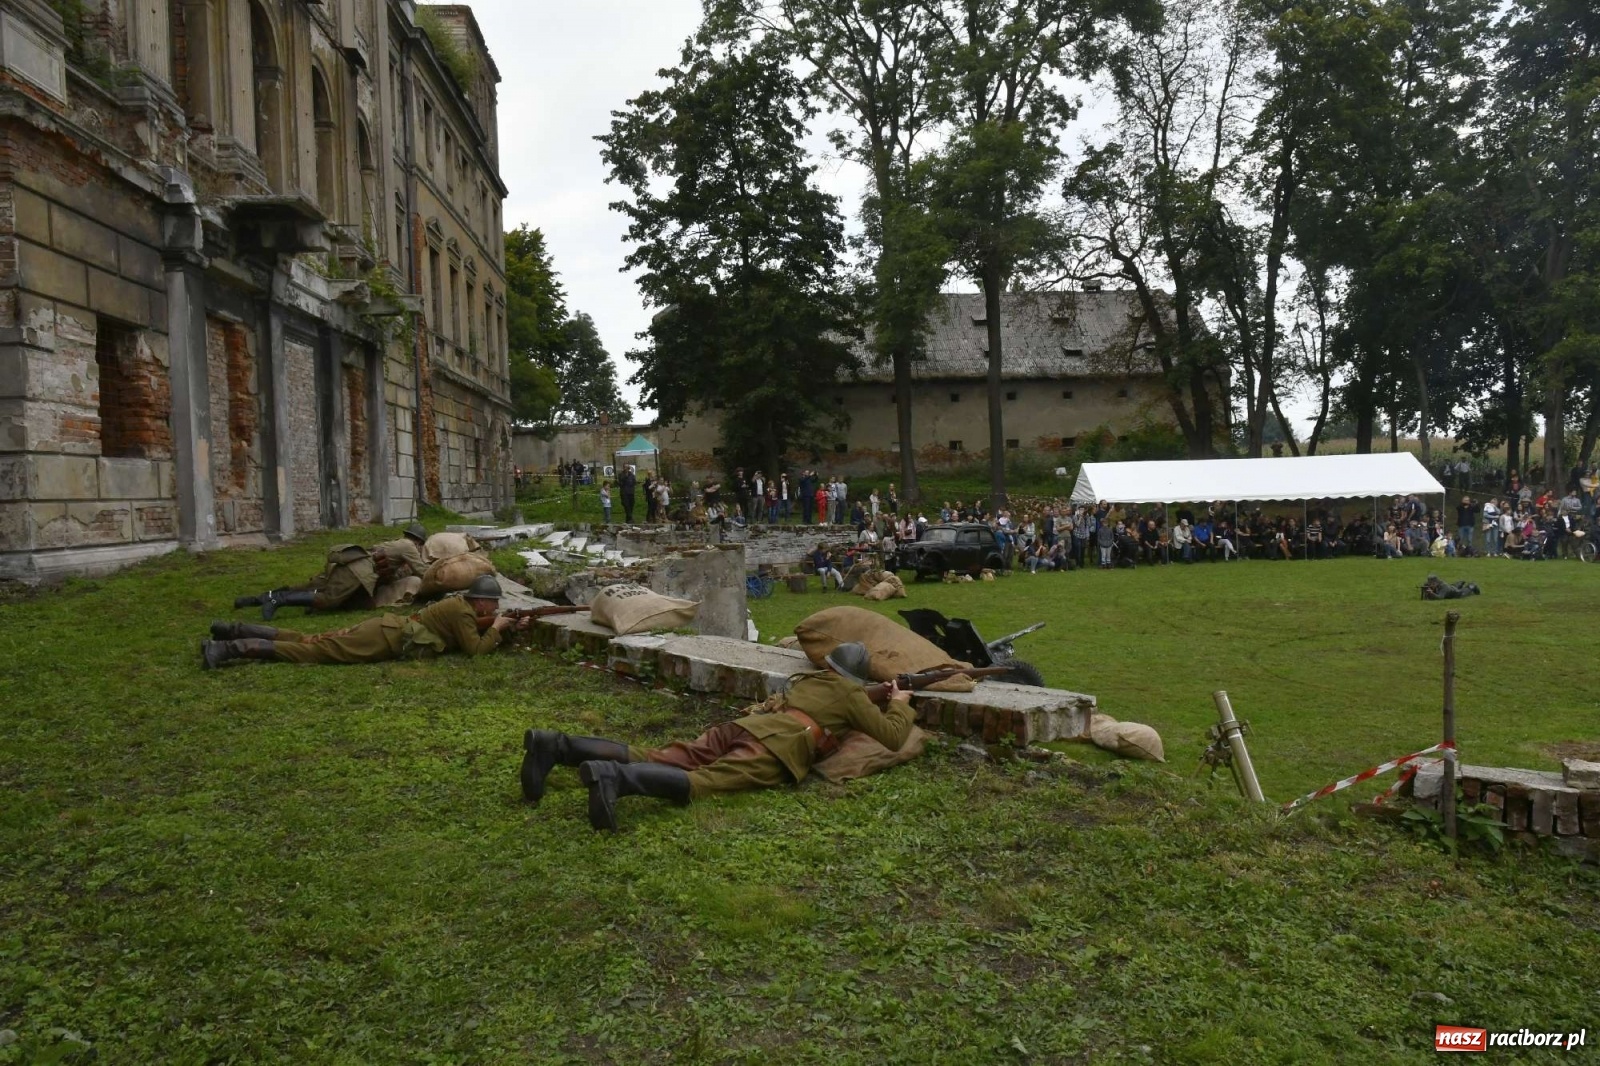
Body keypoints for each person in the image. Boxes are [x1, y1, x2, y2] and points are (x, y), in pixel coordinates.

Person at [518, 642, 916, 830]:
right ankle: (614, 778)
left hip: (743, 727)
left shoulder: (811, 680)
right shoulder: (850, 693)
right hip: (775, 747)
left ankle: (556, 745)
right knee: (705, 782)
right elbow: (894, 736)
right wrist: (899, 700)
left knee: (661, 754)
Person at [203, 575, 529, 669]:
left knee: (308, 639)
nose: (496, 607)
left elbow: (475, 632)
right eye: (494, 604)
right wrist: (499, 629)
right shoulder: (462, 613)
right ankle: (230, 648)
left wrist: (506, 627)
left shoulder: (462, 607)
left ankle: (230, 631)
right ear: (482, 602)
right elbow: (475, 650)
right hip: (384, 639)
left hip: (385, 630)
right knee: (313, 652)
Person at [234, 521, 430, 620]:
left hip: (350, 564)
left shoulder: (396, 544)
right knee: (329, 598)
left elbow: (389, 574)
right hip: (357, 571)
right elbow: (423, 571)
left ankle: (254, 600)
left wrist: (400, 573)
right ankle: (277, 600)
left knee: (307, 587)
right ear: (419, 542)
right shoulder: (408, 547)